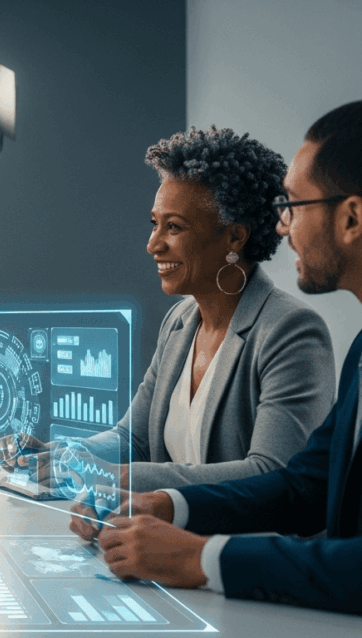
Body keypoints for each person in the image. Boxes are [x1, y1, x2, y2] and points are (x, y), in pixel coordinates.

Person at [69, 101, 362, 616]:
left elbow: (274, 472)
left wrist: (200, 557)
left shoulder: (292, 328)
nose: (283, 227)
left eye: (294, 206)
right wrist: (169, 505)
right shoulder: (360, 349)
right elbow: (305, 486)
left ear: (351, 218)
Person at [1, 127, 335, 492]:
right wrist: (66, 454)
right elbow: (134, 438)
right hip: (166, 527)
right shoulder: (179, 322)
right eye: (154, 224)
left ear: (235, 236)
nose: (153, 244)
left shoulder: (291, 331)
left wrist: (116, 476)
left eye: (173, 227)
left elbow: (272, 473)